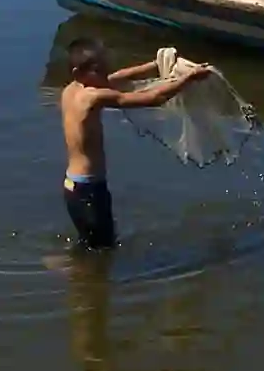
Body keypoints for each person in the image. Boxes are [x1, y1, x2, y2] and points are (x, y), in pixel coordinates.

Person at [60, 36, 211, 249]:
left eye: (105, 67)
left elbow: (118, 77)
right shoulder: (92, 97)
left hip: (73, 186)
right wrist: (187, 79)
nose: (104, 74)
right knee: (102, 248)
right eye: (98, 70)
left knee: (91, 245)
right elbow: (154, 98)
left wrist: (154, 65)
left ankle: (74, 274)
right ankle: (69, 270)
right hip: (89, 189)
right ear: (78, 72)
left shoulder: (70, 90)